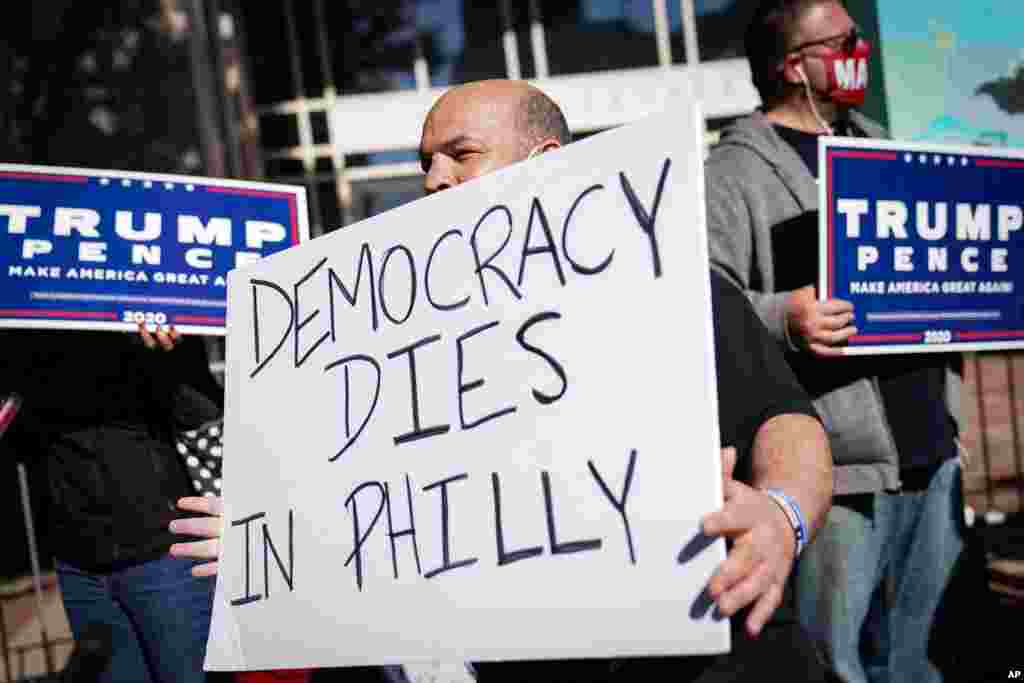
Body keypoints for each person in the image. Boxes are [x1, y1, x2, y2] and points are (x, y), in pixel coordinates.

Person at [171, 79, 834, 682]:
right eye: (425, 162)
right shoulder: (398, 342)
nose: (433, 179)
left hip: (706, 658)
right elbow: (381, 503)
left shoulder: (671, 287)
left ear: (545, 162)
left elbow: (790, 424)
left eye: (461, 154)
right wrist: (276, 542)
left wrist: (781, 517)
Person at [704, 2, 964, 682]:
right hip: (842, 472)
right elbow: (708, 302)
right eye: (847, 41)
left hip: (932, 448)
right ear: (794, 65)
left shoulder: (878, 144)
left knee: (917, 660)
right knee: (837, 664)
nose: (863, 52)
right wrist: (784, 316)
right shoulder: (731, 173)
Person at [0, 323, 222, 683]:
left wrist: (172, 355)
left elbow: (204, 414)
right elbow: (21, 441)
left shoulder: (146, 307)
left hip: (165, 557)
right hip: (78, 563)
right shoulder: (23, 319)